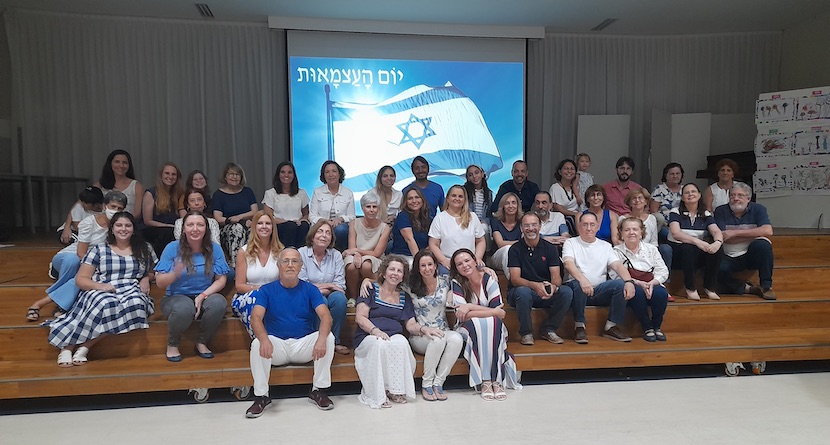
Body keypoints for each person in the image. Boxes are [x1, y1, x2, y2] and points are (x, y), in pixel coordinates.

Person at [45, 212, 156, 367]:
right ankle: (67, 347)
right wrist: (101, 286)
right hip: (101, 287)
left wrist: (145, 278)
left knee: (136, 304)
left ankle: (85, 346)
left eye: (128, 225)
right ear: (112, 229)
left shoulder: (145, 248)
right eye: (119, 225)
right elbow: (81, 279)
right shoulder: (99, 249)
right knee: (104, 303)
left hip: (131, 289)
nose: (123, 229)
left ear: (133, 229)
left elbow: (153, 272)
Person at [244, 248, 336, 418]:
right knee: (257, 343)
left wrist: (321, 339)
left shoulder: (310, 289)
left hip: (303, 346)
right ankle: (261, 396)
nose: (290, 265)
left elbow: (326, 317)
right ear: (278, 265)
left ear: (301, 266)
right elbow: (256, 318)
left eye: (295, 261)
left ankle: (319, 391)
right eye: (285, 261)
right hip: (276, 347)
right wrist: (264, 340)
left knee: (328, 337)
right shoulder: (266, 290)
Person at [353, 255, 443, 408]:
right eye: (392, 269)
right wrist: (376, 331)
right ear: (384, 272)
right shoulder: (370, 289)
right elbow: (360, 318)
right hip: (368, 337)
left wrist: (424, 329)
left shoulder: (404, 296)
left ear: (403, 276)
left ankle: (395, 390)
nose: (395, 273)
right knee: (379, 344)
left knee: (401, 342)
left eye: (399, 271)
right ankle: (378, 393)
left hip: (392, 337)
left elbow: (410, 325)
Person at [27, 192, 127, 321]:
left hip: (96, 261)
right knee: (73, 263)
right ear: (104, 206)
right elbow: (81, 253)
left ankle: (41, 304)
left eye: (119, 208)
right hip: (73, 256)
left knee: (82, 279)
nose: (115, 211)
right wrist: (92, 267)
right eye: (112, 206)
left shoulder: (121, 225)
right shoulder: (89, 223)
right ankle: (61, 303)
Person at [155, 211, 230, 362]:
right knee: (184, 308)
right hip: (175, 297)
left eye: (200, 225)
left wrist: (203, 296)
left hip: (204, 294)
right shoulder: (172, 248)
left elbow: (221, 279)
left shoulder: (215, 248)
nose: (195, 229)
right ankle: (173, 344)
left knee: (219, 303)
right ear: (183, 229)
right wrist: (174, 274)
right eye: (190, 225)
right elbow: (159, 283)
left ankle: (202, 342)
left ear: (206, 229)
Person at [449, 248, 521, 401]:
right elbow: (463, 316)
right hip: (466, 328)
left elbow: (498, 310)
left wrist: (470, 306)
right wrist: (491, 312)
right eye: (459, 264)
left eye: (467, 261)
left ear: (475, 261)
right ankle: (486, 381)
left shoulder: (489, 279)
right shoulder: (456, 283)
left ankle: (497, 380)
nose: (464, 265)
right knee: (478, 323)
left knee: (492, 322)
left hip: (492, 326)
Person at [562, 212, 637, 344]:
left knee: (620, 284)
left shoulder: (605, 246)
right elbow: (568, 264)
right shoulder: (571, 242)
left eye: (592, 225)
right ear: (579, 227)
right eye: (585, 224)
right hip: (577, 289)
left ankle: (611, 326)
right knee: (577, 284)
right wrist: (583, 279)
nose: (589, 228)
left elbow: (618, 265)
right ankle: (579, 326)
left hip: (598, 291)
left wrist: (629, 281)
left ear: (597, 227)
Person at [507, 213, 574, 345]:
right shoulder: (514, 249)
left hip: (544, 290)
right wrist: (535, 285)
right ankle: (526, 333)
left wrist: (553, 287)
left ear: (540, 226)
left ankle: (549, 329)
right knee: (523, 291)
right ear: (521, 228)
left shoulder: (550, 248)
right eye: (526, 225)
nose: (530, 228)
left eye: (534, 225)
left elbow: (556, 276)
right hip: (522, 292)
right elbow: (515, 279)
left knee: (566, 292)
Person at [407, 250, 464, 401]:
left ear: (436, 266)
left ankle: (438, 382)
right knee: (437, 340)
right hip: (421, 334)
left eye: (430, 264)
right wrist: (367, 280)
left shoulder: (445, 281)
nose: (427, 269)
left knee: (457, 338)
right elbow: (386, 280)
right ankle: (427, 384)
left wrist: (453, 292)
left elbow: (465, 274)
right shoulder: (409, 285)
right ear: (418, 268)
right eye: (423, 265)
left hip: (443, 330)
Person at [714, 183, 776, 300]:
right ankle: (747, 289)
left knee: (763, 245)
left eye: (740, 195)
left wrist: (734, 233)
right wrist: (754, 233)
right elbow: (723, 236)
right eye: (732, 195)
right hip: (728, 255)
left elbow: (768, 231)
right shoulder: (720, 211)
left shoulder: (758, 209)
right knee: (715, 267)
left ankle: (766, 286)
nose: (735, 199)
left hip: (750, 255)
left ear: (748, 198)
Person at [298, 220, 350, 355]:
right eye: (320, 231)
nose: (324, 235)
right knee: (321, 301)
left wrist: (324, 287)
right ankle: (318, 339)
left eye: (328, 233)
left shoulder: (336, 255)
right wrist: (329, 285)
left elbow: (340, 286)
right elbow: (301, 284)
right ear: (313, 235)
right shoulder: (301, 253)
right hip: (307, 295)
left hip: (330, 294)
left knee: (340, 299)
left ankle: (335, 341)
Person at [614, 217, 669, 342]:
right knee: (636, 293)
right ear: (621, 233)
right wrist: (638, 283)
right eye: (627, 230)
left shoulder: (651, 249)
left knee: (661, 293)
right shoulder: (616, 251)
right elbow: (614, 275)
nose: (631, 232)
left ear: (641, 232)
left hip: (651, 282)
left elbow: (663, 271)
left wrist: (652, 283)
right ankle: (647, 327)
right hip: (631, 285)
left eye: (635, 229)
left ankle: (657, 326)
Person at [667, 183, 724, 301]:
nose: (690, 194)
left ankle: (710, 287)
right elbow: (676, 233)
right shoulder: (675, 212)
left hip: (697, 250)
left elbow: (716, 231)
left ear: (699, 195)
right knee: (689, 247)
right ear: (682, 198)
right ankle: (690, 288)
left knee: (717, 250)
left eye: (693, 191)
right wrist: (697, 242)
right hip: (678, 251)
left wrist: (717, 242)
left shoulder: (705, 214)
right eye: (687, 192)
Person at [232, 211, 284, 337]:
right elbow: (239, 286)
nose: (264, 226)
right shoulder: (243, 252)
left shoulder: (281, 251)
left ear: (273, 227)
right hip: (247, 296)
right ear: (254, 227)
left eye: (268, 223)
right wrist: (262, 290)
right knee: (257, 299)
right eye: (260, 223)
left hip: (274, 296)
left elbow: (284, 282)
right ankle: (260, 342)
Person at [428, 185, 487, 274]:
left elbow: (481, 241)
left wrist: (477, 258)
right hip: (448, 262)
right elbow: (433, 244)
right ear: (447, 198)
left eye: (460, 196)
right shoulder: (439, 218)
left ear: (464, 200)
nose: (457, 198)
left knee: (487, 274)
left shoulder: (473, 217)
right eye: (454, 196)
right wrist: (443, 261)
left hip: (469, 262)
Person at [344, 192, 390, 302]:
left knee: (366, 265)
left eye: (374, 207)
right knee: (351, 265)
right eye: (368, 206)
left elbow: (377, 253)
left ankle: (372, 296)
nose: (371, 210)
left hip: (374, 257)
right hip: (356, 254)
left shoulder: (385, 227)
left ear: (378, 209)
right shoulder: (354, 223)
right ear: (363, 208)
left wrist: (357, 251)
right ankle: (353, 297)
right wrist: (356, 253)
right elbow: (351, 248)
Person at [212, 163, 258, 268]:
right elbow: (218, 217)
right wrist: (235, 220)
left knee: (256, 230)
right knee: (237, 229)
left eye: (237, 174)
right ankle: (237, 266)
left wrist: (240, 217)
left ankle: (253, 266)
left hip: (248, 225)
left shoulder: (247, 191)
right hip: (228, 228)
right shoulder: (218, 195)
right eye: (231, 174)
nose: (234, 177)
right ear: (225, 176)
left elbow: (255, 211)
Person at [262, 161, 310, 248]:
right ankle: (286, 254)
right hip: (279, 226)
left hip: (298, 225)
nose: (286, 175)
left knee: (304, 226)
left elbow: (306, 214)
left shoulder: (301, 193)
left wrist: (301, 220)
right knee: (290, 226)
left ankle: (300, 255)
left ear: (294, 175)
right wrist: (288, 222)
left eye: (289, 172)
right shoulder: (270, 193)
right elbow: (268, 217)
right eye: (283, 172)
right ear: (278, 175)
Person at [309, 160, 355, 252]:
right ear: (323, 175)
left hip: (340, 226)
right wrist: (324, 221)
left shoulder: (348, 192)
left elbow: (352, 216)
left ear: (339, 174)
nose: (331, 174)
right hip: (321, 225)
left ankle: (339, 257)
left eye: (334, 171)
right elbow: (312, 216)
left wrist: (340, 219)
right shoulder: (318, 192)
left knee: (341, 230)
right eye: (327, 172)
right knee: (321, 232)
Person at [142, 162, 184, 256]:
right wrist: (167, 226)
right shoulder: (151, 193)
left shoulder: (180, 194)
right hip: (155, 231)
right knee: (167, 233)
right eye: (167, 173)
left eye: (174, 174)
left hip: (174, 229)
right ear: (161, 175)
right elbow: (148, 221)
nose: (170, 176)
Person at [94, 149, 144, 218]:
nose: (121, 165)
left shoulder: (136, 186)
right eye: (117, 162)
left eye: (125, 162)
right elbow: (83, 201)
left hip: (126, 225)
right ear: (110, 163)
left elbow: (137, 213)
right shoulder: (100, 184)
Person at [390, 187, 432, 260]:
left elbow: (432, 242)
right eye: (410, 198)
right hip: (403, 257)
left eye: (417, 197)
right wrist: (418, 261)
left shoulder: (427, 218)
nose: (414, 201)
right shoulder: (403, 216)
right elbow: (409, 240)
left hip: (422, 256)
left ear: (422, 200)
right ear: (405, 202)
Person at [489, 192, 523, 277]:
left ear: (518, 205)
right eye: (507, 203)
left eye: (513, 203)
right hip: (498, 257)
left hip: (519, 256)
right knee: (507, 249)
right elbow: (500, 244)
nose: (511, 206)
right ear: (502, 206)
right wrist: (520, 242)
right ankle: (512, 279)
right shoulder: (496, 221)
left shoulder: (522, 221)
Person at [550, 159, 582, 227]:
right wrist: (575, 214)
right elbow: (558, 208)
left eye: (572, 169)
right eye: (566, 169)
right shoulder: (555, 187)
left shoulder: (577, 188)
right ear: (560, 172)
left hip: (577, 219)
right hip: (563, 220)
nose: (569, 171)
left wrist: (575, 185)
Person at [464, 164, 493, 234]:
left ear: (482, 174)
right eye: (470, 175)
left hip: (482, 223)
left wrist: (485, 221)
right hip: (467, 222)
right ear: (467, 178)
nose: (474, 176)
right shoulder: (464, 191)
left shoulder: (488, 193)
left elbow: (489, 214)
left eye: (477, 173)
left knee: (484, 228)